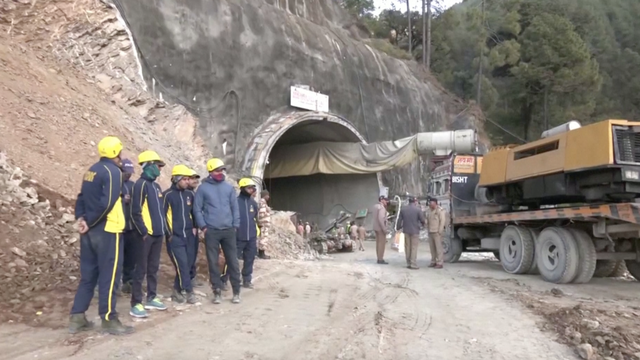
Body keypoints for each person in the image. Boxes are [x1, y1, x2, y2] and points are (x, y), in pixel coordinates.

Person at [69, 136, 133, 335]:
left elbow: (81, 197)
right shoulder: (113, 172)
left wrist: (81, 218)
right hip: (108, 231)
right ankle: (109, 319)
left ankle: (77, 317)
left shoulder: (92, 170)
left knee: (88, 276)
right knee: (110, 276)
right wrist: (91, 222)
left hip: (89, 232)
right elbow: (108, 202)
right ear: (116, 153)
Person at [193, 158, 242, 304]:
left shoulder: (228, 188)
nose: (220, 173)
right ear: (210, 172)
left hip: (228, 230)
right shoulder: (203, 189)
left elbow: (235, 208)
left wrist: (235, 225)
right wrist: (204, 226)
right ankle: (217, 292)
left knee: (233, 261)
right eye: (217, 170)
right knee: (213, 262)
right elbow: (197, 209)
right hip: (212, 231)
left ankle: (236, 292)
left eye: (222, 170)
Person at [129, 150, 168, 318]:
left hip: (158, 234)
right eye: (157, 165)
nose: (159, 169)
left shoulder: (156, 186)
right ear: (148, 165)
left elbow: (159, 211)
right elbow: (135, 211)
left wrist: (163, 229)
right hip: (146, 236)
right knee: (141, 269)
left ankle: (152, 296)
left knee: (153, 267)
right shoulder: (140, 185)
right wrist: (144, 231)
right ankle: (136, 302)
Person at [163, 165, 198, 304]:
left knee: (188, 264)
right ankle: (189, 292)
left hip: (189, 235)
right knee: (182, 264)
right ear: (176, 179)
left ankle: (176, 291)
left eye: (188, 179)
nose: (187, 181)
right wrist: (169, 234)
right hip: (175, 237)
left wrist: (195, 226)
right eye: (184, 179)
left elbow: (194, 213)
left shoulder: (190, 195)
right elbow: (163, 216)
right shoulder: (167, 195)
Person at [236, 178, 260, 288]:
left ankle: (247, 279)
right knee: (232, 259)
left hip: (251, 237)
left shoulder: (253, 203)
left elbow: (255, 218)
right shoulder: (235, 202)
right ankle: (225, 279)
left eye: (252, 188)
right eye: (249, 188)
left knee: (249, 258)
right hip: (238, 236)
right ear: (242, 188)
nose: (251, 190)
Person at [120, 159, 136, 295]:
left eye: (130, 173)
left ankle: (128, 281)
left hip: (132, 227)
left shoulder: (133, 186)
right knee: (118, 256)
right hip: (119, 228)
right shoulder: (114, 185)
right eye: (126, 172)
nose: (128, 175)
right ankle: (117, 282)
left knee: (131, 257)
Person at [396, 197, 426, 269]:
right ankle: (413, 263)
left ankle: (408, 263)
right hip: (415, 231)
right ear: (415, 202)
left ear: (409, 202)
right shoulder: (418, 210)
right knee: (414, 247)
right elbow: (422, 220)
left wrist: (398, 228)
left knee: (407, 247)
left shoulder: (403, 209)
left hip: (406, 230)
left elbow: (399, 220)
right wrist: (423, 225)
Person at [186, 173, 203, 287]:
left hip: (195, 229)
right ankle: (187, 280)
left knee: (193, 254)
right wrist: (193, 225)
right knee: (189, 255)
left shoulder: (194, 193)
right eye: (192, 178)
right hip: (188, 230)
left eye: (196, 178)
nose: (195, 181)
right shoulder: (186, 194)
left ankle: (192, 277)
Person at [426, 197, 446, 269]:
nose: (431, 204)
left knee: (438, 248)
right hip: (430, 231)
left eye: (432, 203)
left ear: (436, 203)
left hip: (437, 232)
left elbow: (442, 221)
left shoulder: (440, 210)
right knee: (432, 248)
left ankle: (440, 262)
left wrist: (440, 231)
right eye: (430, 203)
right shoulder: (429, 210)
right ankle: (433, 261)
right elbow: (427, 220)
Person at [373, 196, 389, 264]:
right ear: (382, 200)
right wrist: (384, 229)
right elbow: (381, 219)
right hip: (380, 228)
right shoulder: (382, 208)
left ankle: (378, 257)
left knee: (378, 243)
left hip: (375, 227)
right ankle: (380, 259)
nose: (386, 202)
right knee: (381, 244)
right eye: (385, 201)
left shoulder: (375, 206)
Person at [257, 190, 272, 259]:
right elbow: (261, 214)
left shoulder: (262, 202)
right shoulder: (263, 202)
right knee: (263, 238)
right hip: (264, 224)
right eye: (267, 195)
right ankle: (261, 254)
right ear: (264, 195)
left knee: (262, 238)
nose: (268, 197)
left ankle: (261, 253)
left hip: (263, 224)